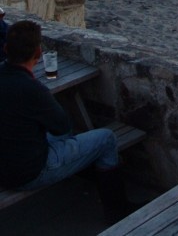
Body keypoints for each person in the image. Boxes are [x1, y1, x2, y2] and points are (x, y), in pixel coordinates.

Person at [0, 20, 133, 224]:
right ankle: (118, 212)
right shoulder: (33, 90)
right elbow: (61, 125)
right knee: (106, 139)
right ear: (38, 53)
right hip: (27, 173)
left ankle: (82, 165)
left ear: (6, 48)